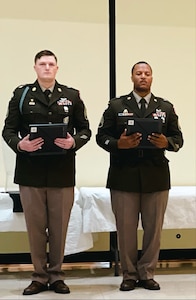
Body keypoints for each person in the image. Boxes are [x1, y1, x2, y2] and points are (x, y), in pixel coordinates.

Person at [2, 50, 91, 295]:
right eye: (42, 64)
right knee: (36, 228)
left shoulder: (71, 96)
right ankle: (39, 276)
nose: (47, 68)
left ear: (57, 68)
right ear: (35, 67)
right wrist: (20, 144)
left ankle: (57, 275)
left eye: (51, 64)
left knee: (60, 227)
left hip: (61, 173)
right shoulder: (21, 95)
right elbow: (8, 130)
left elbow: (85, 130)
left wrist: (74, 142)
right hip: (30, 173)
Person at [96, 61, 183, 292]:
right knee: (126, 229)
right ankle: (129, 275)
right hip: (124, 176)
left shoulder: (165, 107)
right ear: (132, 77)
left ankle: (147, 273)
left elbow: (178, 139)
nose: (143, 77)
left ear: (152, 77)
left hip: (156, 176)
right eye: (138, 73)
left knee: (153, 230)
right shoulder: (116, 106)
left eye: (147, 73)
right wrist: (119, 144)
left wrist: (168, 143)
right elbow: (101, 136)